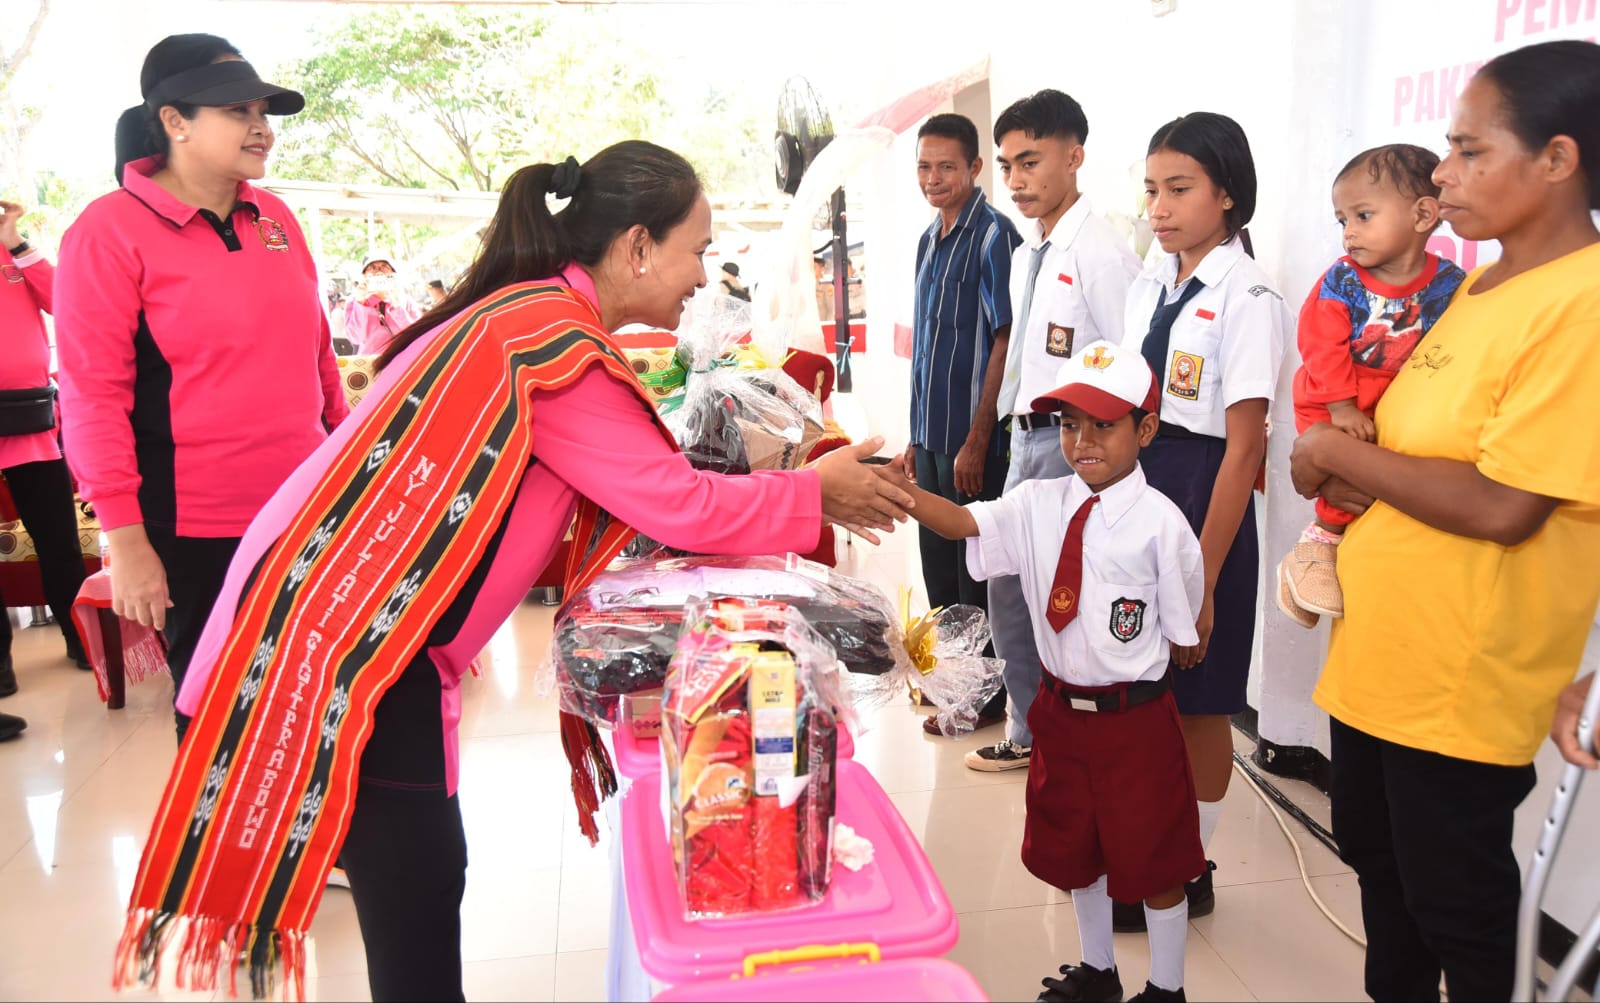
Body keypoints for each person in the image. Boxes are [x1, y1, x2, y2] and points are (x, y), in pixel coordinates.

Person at [115, 142, 915, 1003]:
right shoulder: (554, 347)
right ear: (637, 245)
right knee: (418, 890)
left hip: (343, 624)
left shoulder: (528, 317)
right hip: (358, 652)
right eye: (697, 248)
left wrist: (787, 481)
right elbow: (674, 502)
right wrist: (811, 492)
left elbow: (645, 480)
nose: (701, 275)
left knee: (417, 880)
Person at [1292, 40, 1600, 1001]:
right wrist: (1341, 432)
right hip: (1388, 652)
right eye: (1445, 148)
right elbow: (1415, 438)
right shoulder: (1475, 287)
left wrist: (1341, 454)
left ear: (1557, 160)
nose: (1440, 173)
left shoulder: (1582, 304)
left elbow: (1507, 506)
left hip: (1462, 674)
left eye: (1470, 151)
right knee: (1382, 875)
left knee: (1455, 906)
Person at [875, 342, 1204, 1003]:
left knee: (1155, 856)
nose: (1081, 441)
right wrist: (904, 494)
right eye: (1068, 422)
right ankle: (1099, 969)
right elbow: (964, 518)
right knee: (1077, 849)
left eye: (1102, 425)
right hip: (1062, 712)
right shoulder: (1037, 500)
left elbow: (1184, 627)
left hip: (1134, 717)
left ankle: (1168, 987)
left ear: (1144, 429)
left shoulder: (1162, 526)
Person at [54, 34, 348, 741]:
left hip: (303, 512)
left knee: (311, 703)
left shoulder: (275, 218)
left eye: (264, 111)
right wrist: (125, 541)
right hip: (193, 527)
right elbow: (93, 395)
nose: (261, 127)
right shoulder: (107, 231)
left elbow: (319, 363)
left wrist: (348, 467)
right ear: (174, 122)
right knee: (223, 721)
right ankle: (231, 851)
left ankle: (311, 847)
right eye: (236, 110)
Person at [1117, 111, 1289, 927]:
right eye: (1151, 189)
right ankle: (1151, 852)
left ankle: (1193, 866)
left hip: (1203, 495)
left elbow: (1246, 443)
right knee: (1142, 688)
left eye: (1179, 189)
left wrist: (1206, 577)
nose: (1159, 206)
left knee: (1201, 698)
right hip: (1138, 487)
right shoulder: (1157, 278)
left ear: (1227, 193)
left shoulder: (1249, 296)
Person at [974, 89, 1140, 771]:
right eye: (1007, 165)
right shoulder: (1027, 252)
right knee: (1008, 583)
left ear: (1074, 157)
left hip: (1074, 447)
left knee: (1065, 593)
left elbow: (1130, 364)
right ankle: (1028, 728)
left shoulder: (1102, 252)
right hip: (1026, 437)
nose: (1015, 180)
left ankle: (1071, 739)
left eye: (1030, 162)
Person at [1275, 145, 1465, 627]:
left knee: (1382, 482)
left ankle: (1322, 563)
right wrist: (1340, 407)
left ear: (1423, 214)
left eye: (1362, 216)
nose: (1349, 233)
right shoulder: (1343, 280)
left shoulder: (1448, 283)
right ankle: (1315, 548)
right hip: (1330, 393)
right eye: (1342, 220)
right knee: (1348, 486)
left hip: (1388, 400)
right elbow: (1319, 344)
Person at [901, 112, 1021, 735]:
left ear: (975, 168)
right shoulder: (928, 240)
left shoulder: (993, 236)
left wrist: (980, 437)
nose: (934, 177)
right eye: (924, 166)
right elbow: (927, 347)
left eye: (947, 166)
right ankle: (954, 681)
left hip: (972, 440)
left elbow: (1004, 338)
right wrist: (913, 440)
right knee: (937, 568)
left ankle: (985, 696)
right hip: (930, 437)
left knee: (975, 571)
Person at [0, 197, 91, 697]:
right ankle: (0, 666)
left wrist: (14, 240)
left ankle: (82, 640)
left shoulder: (13, 254)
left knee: (58, 539)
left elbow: (64, 300)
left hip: (30, 425)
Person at [344, 256, 422, 355]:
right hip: (370, 364)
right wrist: (360, 302)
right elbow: (355, 338)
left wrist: (397, 306)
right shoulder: (355, 301)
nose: (379, 272)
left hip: (401, 360)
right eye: (372, 268)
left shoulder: (406, 301)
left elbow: (416, 335)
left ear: (393, 274)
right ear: (364, 276)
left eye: (384, 266)